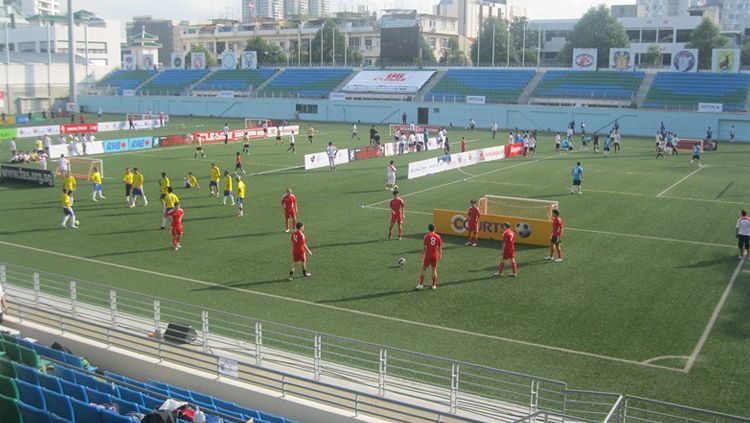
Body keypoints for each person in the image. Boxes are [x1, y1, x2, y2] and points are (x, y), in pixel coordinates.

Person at [417, 224, 443, 290]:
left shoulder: (426, 236)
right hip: (435, 255)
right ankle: (434, 285)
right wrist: (440, 254)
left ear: (428, 229)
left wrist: (422, 254)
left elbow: (425, 247)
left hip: (428, 255)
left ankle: (421, 284)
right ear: (434, 229)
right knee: (434, 270)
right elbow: (440, 247)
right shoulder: (438, 236)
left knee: (423, 269)